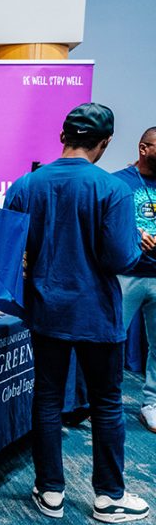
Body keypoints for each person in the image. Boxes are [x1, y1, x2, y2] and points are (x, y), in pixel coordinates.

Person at [3, 103, 149, 523]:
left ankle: (50, 491)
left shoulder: (25, 185)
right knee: (106, 402)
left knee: (46, 398)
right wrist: (136, 243)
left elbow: (11, 252)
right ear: (104, 143)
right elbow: (122, 258)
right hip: (96, 314)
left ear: (63, 137)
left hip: (45, 311)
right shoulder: (112, 190)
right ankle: (108, 497)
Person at [115, 126, 156, 433]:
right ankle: (103, 400)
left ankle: (152, 404)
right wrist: (132, 234)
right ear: (144, 149)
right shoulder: (118, 182)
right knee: (110, 341)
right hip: (125, 275)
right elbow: (105, 226)